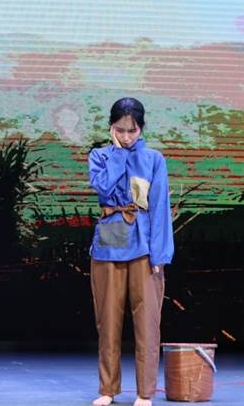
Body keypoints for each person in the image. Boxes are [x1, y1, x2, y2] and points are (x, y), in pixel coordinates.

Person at [88, 97, 174, 406]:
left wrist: (160, 256)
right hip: (108, 247)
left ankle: (144, 392)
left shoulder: (153, 159)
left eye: (132, 131)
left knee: (147, 325)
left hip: (144, 249)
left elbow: (160, 208)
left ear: (141, 128)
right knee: (108, 323)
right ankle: (108, 389)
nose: (126, 137)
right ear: (111, 127)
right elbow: (103, 188)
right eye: (120, 130)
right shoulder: (99, 156)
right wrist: (118, 154)